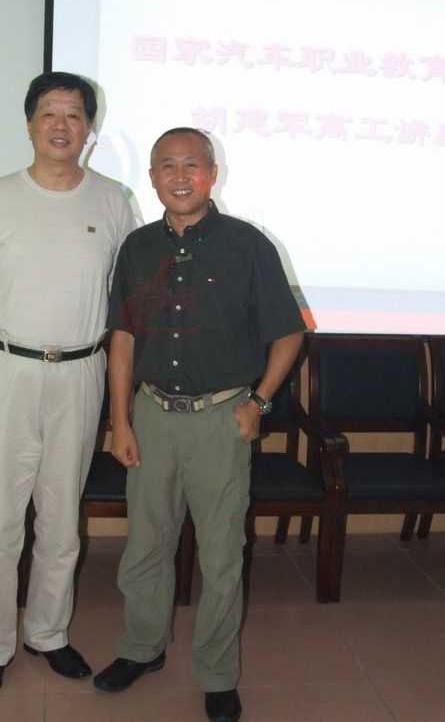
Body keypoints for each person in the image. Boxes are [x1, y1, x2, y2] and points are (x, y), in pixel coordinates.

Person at [93, 128, 305, 722]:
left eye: (192, 165)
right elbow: (123, 340)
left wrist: (258, 404)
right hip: (152, 418)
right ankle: (141, 648)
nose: (179, 176)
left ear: (213, 174)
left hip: (221, 420)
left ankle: (216, 673)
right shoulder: (137, 248)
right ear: (153, 178)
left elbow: (289, 333)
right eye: (167, 165)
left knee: (221, 556)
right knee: (146, 545)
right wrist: (120, 421)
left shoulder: (248, 245)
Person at [0, 71, 135, 700]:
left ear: (90, 129)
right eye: (50, 113)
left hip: (80, 372)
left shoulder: (114, 201)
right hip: (6, 371)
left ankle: (48, 634)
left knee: (60, 521)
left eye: (74, 115)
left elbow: (127, 304)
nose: (62, 125)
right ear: (29, 124)